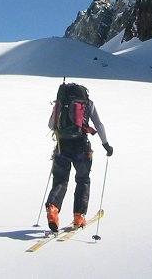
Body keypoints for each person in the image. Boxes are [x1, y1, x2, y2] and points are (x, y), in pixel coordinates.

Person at [45, 83, 113, 231]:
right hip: (81, 147)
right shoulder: (88, 104)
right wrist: (106, 144)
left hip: (62, 146)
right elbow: (99, 124)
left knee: (60, 180)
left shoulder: (61, 103)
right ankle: (79, 216)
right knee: (82, 180)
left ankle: (53, 208)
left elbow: (51, 125)